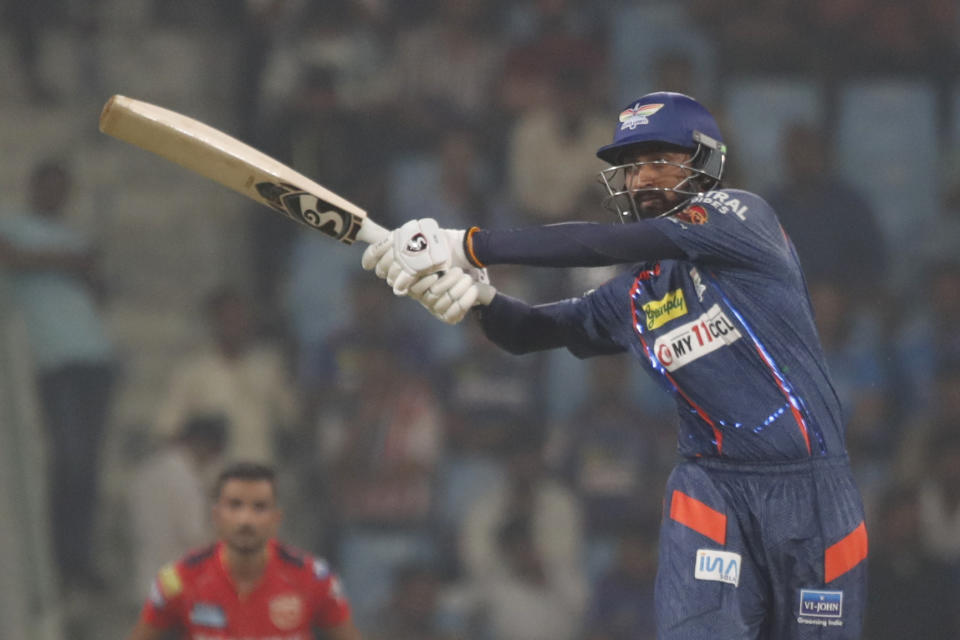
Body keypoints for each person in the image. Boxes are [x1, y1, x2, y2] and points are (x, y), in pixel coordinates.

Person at [363, 91, 868, 639]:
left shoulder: (745, 218)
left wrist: (466, 243)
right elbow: (529, 331)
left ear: (704, 162)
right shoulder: (637, 297)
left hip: (810, 491)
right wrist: (476, 300)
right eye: (631, 167)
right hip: (710, 492)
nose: (641, 179)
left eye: (659, 161)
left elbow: (598, 242)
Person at [0, 158, 116, 592]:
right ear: (33, 187)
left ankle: (79, 559)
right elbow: (9, 258)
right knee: (67, 462)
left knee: (86, 467)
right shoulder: (13, 225)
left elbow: (99, 290)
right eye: (49, 187)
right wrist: (70, 261)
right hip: (55, 361)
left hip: (94, 358)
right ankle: (59, 560)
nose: (55, 196)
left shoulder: (75, 238)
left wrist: (86, 267)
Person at [125, 461, 362, 640]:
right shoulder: (179, 580)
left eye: (259, 507)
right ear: (216, 515)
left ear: (275, 518)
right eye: (235, 505)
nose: (246, 519)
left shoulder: (313, 578)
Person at [127, 413, 228, 601]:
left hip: (145, 580)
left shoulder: (147, 470)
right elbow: (195, 537)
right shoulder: (186, 481)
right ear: (203, 445)